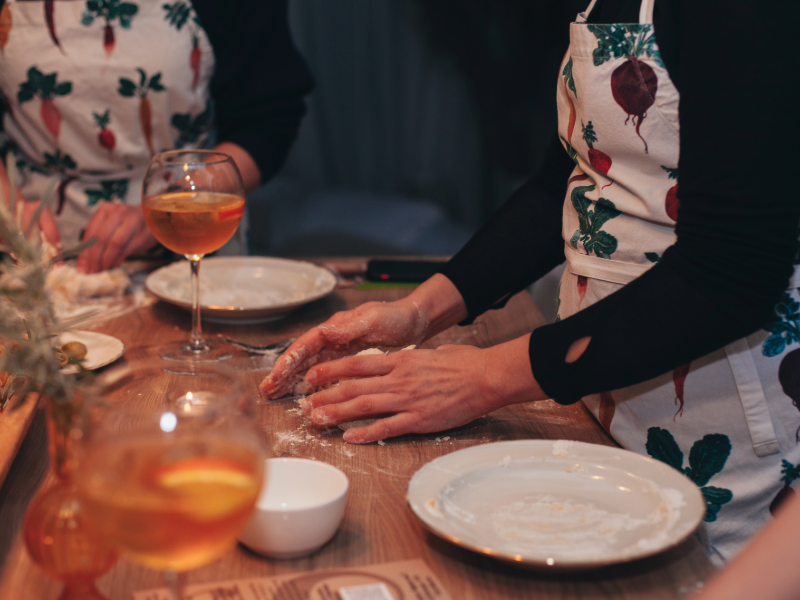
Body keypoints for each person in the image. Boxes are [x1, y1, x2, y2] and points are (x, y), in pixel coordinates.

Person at [261, 0, 799, 564]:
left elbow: (731, 269)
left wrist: (487, 376)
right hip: (606, 392)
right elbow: (565, 182)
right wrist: (420, 311)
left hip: (730, 424)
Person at [0, 0, 312, 272]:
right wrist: (5, 205)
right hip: (25, 249)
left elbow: (267, 119)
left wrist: (170, 210)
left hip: (192, 240)